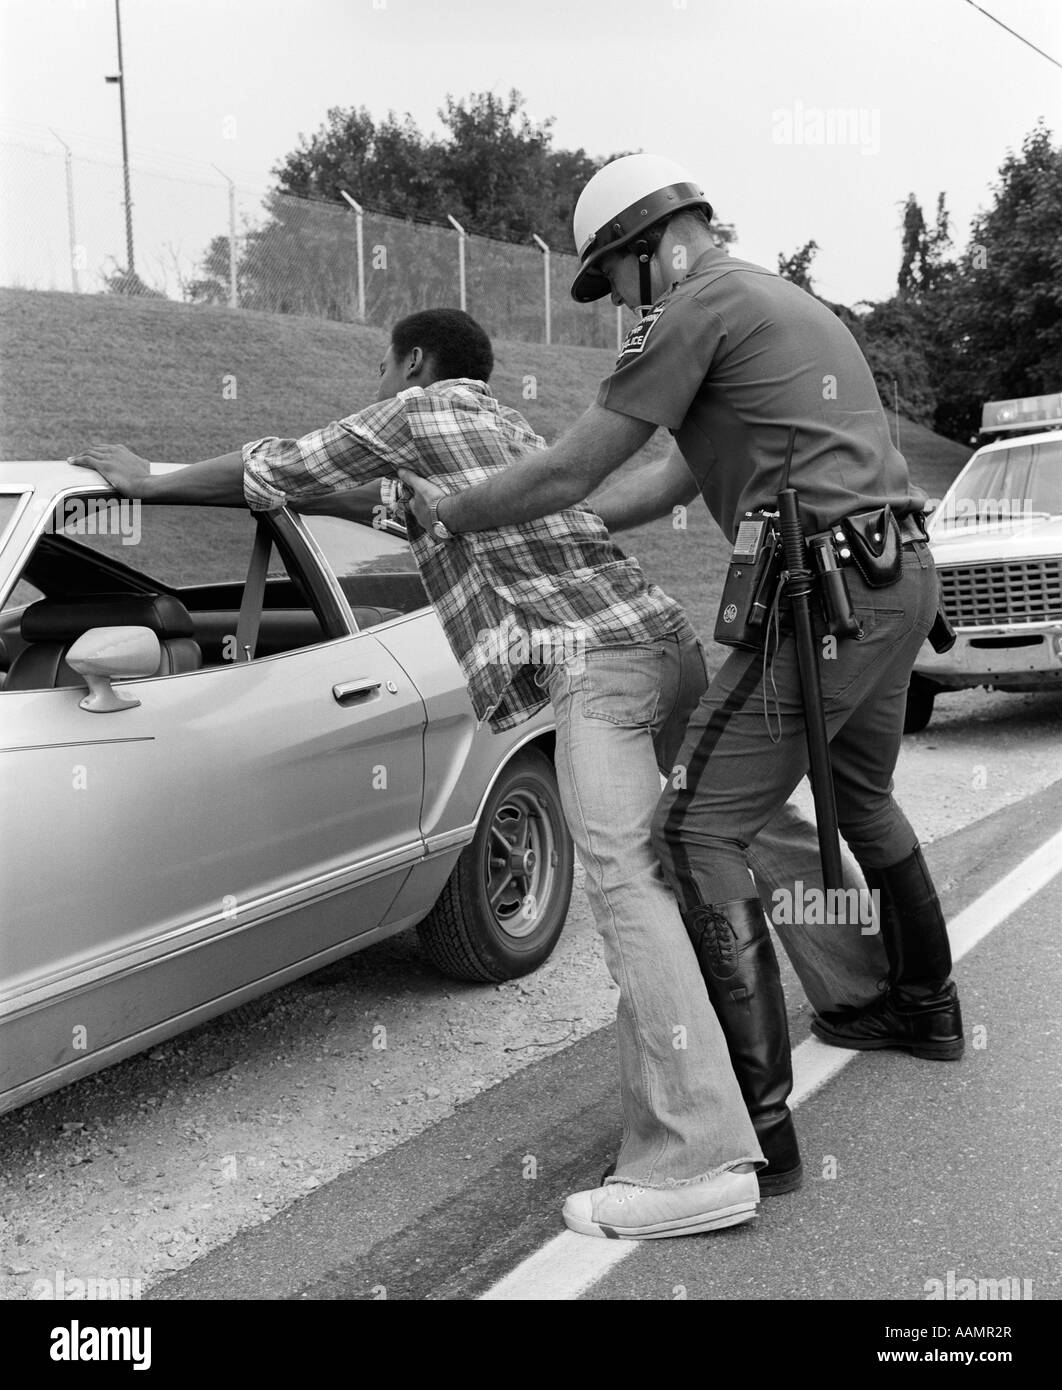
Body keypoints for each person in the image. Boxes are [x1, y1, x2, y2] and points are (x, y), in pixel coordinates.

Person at [70, 307, 869, 1241]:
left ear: (411, 360)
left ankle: (702, 1157)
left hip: (598, 668)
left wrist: (150, 480)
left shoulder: (414, 413)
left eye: (378, 363)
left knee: (623, 879)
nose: (374, 384)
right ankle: (864, 973)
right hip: (664, 642)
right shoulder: (507, 430)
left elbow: (274, 469)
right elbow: (364, 507)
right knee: (728, 830)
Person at [401, 158, 965, 1120]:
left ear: (655, 244)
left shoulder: (692, 308)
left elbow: (572, 467)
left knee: (698, 825)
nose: (619, 307)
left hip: (822, 598)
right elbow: (660, 481)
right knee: (862, 799)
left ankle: (755, 1116)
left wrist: (452, 513)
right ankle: (925, 1011)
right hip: (894, 576)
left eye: (614, 279)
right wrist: (558, 535)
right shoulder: (770, 301)